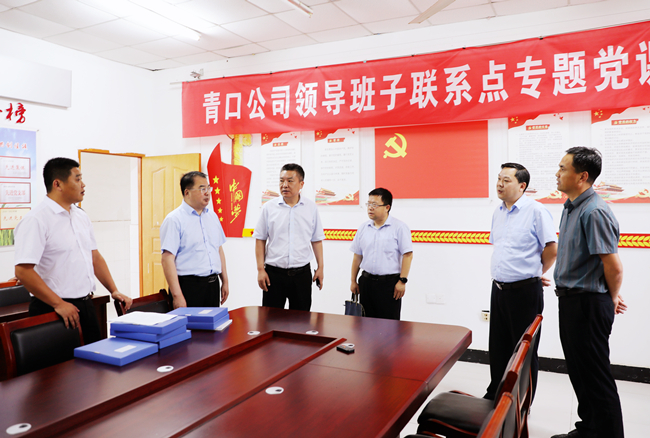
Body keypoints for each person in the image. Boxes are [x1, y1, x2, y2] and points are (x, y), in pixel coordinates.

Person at [14, 157, 132, 344]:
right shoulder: (36, 220)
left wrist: (113, 290)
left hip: (85, 304)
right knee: (62, 363)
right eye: (77, 179)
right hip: (53, 308)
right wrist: (59, 304)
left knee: (94, 358)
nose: (83, 185)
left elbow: (94, 257)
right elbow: (23, 271)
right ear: (58, 184)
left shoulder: (80, 216)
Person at [551, 147, 626, 438]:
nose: (557, 173)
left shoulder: (594, 211)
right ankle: (590, 429)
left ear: (582, 176)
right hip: (573, 301)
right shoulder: (571, 206)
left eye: (563, 168)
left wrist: (611, 297)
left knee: (596, 376)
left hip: (588, 304)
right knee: (580, 372)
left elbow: (613, 266)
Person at [485, 163, 557, 401]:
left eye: (506, 180)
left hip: (525, 291)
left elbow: (552, 249)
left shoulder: (536, 211)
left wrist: (535, 272)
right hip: (499, 288)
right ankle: (496, 394)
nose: (499, 184)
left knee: (524, 350)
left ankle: (521, 403)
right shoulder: (498, 212)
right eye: (499, 179)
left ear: (522, 185)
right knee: (498, 347)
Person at [254, 163, 324, 311]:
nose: (284, 185)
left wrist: (320, 268)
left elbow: (316, 240)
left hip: (301, 275)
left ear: (301, 184)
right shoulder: (269, 208)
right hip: (273, 275)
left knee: (301, 320)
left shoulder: (310, 208)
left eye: (290, 181)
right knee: (270, 318)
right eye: (281, 181)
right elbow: (260, 240)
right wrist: (260, 269)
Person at [160, 171, 229, 309]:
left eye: (208, 188)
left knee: (212, 323)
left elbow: (218, 250)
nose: (207, 193)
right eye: (202, 189)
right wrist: (177, 296)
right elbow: (167, 259)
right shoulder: (174, 220)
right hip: (189, 287)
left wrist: (225, 281)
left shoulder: (212, 217)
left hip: (212, 285)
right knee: (191, 323)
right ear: (187, 192)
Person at [350, 188, 413, 320]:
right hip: (366, 283)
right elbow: (357, 256)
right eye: (368, 204)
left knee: (389, 325)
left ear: (387, 207)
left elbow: (407, 255)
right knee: (365, 323)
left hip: (389, 285)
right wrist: (353, 281)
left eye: (374, 204)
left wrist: (402, 281)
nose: (370, 208)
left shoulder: (399, 227)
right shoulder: (363, 228)